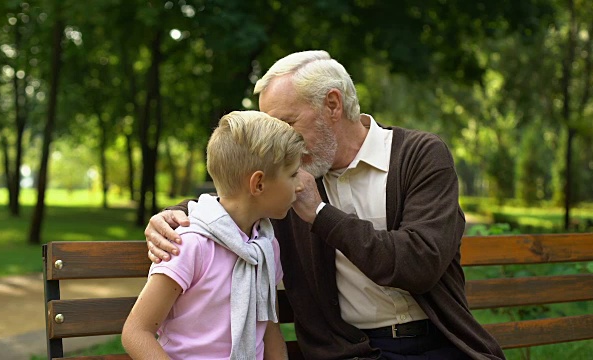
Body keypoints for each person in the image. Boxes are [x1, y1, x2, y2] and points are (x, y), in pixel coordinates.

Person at [145, 50, 506, 360]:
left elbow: (419, 264)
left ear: (332, 104)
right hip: (351, 351)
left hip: (441, 341)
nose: (280, 140)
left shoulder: (420, 156)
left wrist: (320, 214)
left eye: (286, 123)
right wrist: (173, 214)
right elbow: (237, 196)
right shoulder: (286, 182)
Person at [123, 110, 307, 360]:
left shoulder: (266, 246)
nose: (300, 185)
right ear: (258, 184)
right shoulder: (189, 244)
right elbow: (136, 332)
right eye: (293, 174)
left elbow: (268, 327)